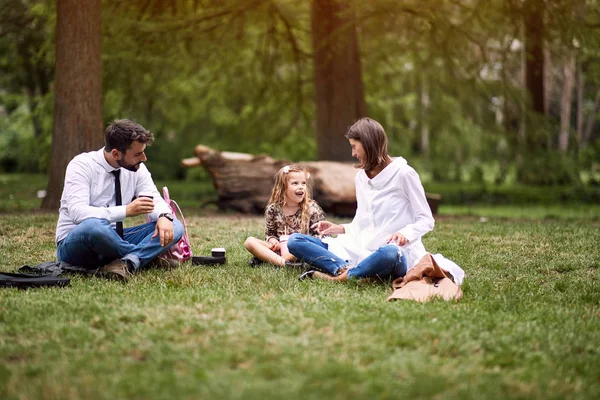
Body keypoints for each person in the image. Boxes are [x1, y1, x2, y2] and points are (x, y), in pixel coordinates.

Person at [288, 117, 435, 282]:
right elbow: (365, 222)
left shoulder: (404, 174)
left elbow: (426, 220)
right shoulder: (361, 178)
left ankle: (338, 277)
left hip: (393, 251)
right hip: (358, 249)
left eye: (354, 147)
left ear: (369, 144)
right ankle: (346, 270)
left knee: (391, 253)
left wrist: (405, 233)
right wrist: (340, 228)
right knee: (295, 240)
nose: (353, 154)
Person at [55, 119, 184, 281]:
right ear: (116, 154)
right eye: (138, 154)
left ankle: (127, 263)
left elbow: (154, 199)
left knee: (175, 225)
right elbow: (77, 213)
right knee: (94, 226)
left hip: (114, 239)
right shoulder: (81, 165)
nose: (144, 158)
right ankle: (145, 258)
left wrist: (164, 216)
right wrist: (126, 211)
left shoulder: (137, 168)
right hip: (76, 243)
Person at [244, 164, 326, 267]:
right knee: (249, 242)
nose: (301, 186)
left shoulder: (312, 208)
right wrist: (273, 241)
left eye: (303, 183)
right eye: (295, 183)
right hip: (280, 249)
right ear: (283, 187)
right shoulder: (273, 209)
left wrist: (303, 244)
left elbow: (322, 237)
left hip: (302, 250)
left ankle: (272, 260)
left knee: (304, 248)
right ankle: (286, 264)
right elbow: (270, 234)